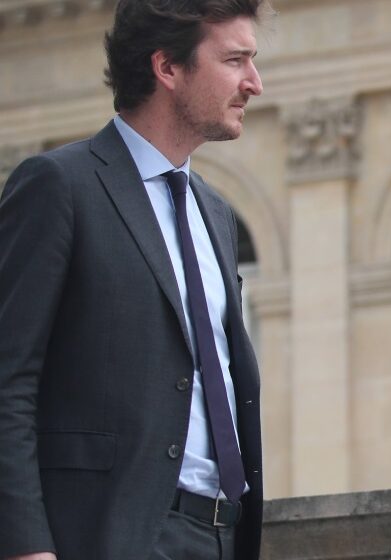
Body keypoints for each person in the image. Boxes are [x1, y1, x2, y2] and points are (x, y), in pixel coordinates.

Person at [0, 1, 268, 558]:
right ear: (167, 67)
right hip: (111, 535)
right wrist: (26, 545)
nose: (254, 83)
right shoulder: (58, 186)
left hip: (222, 534)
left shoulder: (216, 214)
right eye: (235, 60)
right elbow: (8, 380)